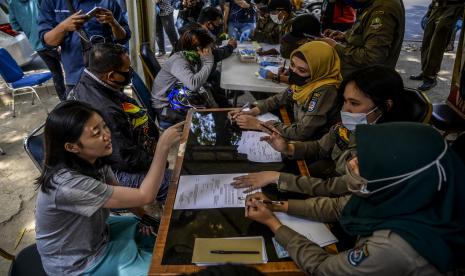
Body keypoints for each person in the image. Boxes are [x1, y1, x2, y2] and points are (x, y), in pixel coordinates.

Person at [245, 122, 465, 275]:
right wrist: (275, 206)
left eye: (364, 164)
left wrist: (273, 224)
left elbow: (324, 268)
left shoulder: (393, 246)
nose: (351, 163)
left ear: (396, 178)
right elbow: (338, 207)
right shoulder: (406, 195)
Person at [35, 100, 184, 275]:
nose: (107, 135)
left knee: (166, 237)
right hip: (78, 264)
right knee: (164, 270)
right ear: (72, 147)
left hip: (98, 234)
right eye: (96, 133)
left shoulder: (94, 160)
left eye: (104, 126)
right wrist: (163, 146)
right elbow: (146, 196)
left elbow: (124, 194)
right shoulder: (68, 185)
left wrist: (144, 216)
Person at [231, 65, 406, 198]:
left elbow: (333, 188)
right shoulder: (355, 123)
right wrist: (288, 148)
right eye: (344, 101)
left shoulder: (379, 150)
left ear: (385, 106)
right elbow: (320, 147)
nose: (345, 110)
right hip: (322, 178)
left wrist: (278, 178)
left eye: (354, 103)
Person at [68, 44, 168, 197]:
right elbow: (125, 159)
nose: (130, 72)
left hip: (122, 157)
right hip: (113, 172)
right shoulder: (105, 110)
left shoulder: (92, 80)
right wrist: (157, 158)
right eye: (127, 70)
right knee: (175, 182)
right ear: (111, 76)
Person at [230, 41, 342, 141]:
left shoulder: (325, 92)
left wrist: (260, 125)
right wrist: (254, 110)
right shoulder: (304, 84)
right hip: (294, 132)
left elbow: (302, 132)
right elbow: (278, 99)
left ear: (318, 71)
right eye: (292, 65)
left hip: (312, 145)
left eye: (302, 70)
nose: (293, 71)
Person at [37, 0, 131, 93]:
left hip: (108, 76)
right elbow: (48, 42)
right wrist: (63, 27)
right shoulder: (51, 2)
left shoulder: (108, 2)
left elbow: (123, 38)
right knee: (78, 107)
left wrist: (113, 23)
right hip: (75, 78)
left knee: (112, 107)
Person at [320, 0, 404, 77]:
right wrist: (345, 36)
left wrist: (336, 46)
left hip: (365, 81)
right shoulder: (371, 4)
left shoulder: (382, 8)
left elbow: (372, 57)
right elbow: (365, 32)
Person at [151, 27, 216, 129]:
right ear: (199, 49)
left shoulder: (190, 57)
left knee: (210, 101)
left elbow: (200, 79)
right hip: (166, 107)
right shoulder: (178, 61)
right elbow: (193, 85)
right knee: (208, 121)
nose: (211, 51)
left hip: (178, 97)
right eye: (210, 48)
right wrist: (208, 63)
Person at [8, 0, 66, 100]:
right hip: (51, 39)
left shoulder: (12, 3)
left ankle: (64, 100)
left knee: (56, 73)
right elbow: (51, 15)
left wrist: (29, 29)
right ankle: (79, 96)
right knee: (72, 68)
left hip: (37, 44)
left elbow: (15, 26)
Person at [410, 0, 465, 91]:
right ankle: (425, 72)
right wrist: (430, 8)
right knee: (427, 41)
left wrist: (461, 15)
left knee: (437, 44)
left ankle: (430, 77)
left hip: (452, 7)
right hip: (436, 6)